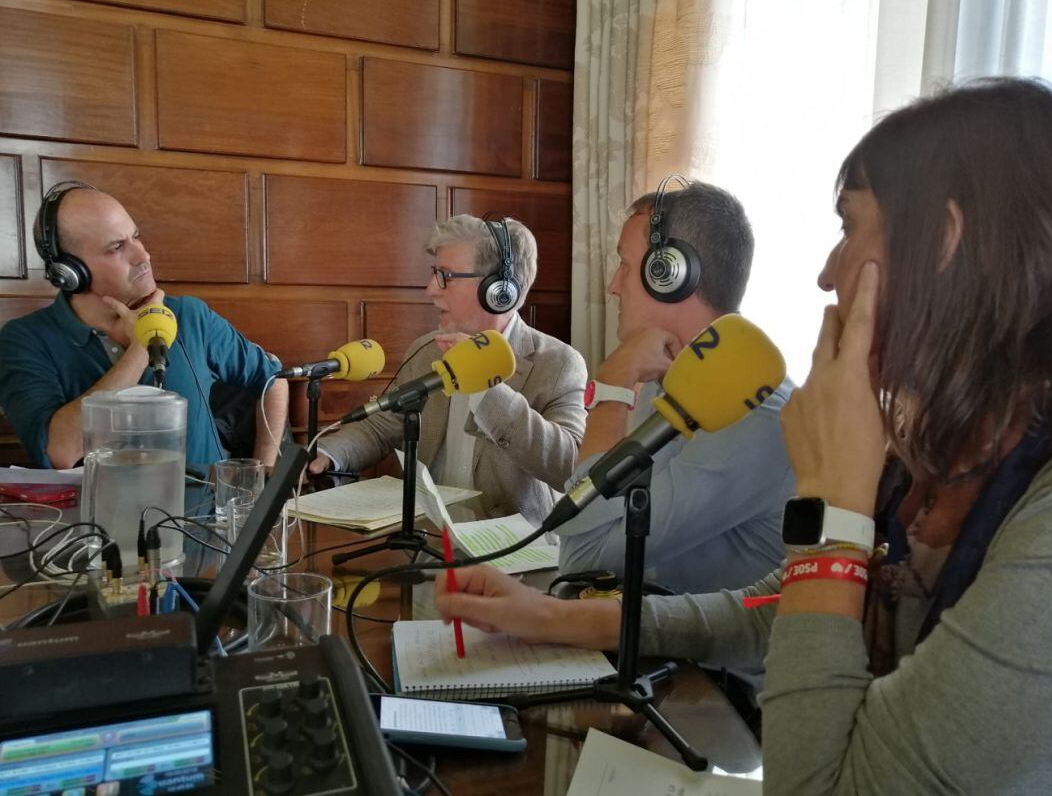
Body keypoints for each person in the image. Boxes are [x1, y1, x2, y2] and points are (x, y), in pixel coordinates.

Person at [435, 79, 1052, 794]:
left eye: (848, 227)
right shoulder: (935, 458)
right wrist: (556, 618)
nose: (826, 274)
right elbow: (762, 612)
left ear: (943, 243)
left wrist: (833, 513)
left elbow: (823, 785)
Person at [555, 180, 794, 594]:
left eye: (625, 266)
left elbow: (583, 559)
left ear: (670, 275)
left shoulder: (753, 411)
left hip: (710, 658)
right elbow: (588, 537)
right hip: (645, 633)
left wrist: (611, 387)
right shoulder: (666, 378)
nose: (613, 286)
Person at [309, 215, 587, 526]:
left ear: (498, 290)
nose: (430, 289)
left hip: (511, 557)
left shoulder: (559, 364)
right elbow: (380, 427)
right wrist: (324, 455)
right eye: (434, 274)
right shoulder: (428, 349)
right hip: (427, 542)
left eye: (446, 276)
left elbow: (571, 468)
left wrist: (486, 386)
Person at [0, 183, 289, 469]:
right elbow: (59, 453)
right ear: (70, 273)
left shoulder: (189, 314)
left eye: (136, 237)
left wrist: (262, 474)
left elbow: (272, 379)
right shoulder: (23, 339)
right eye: (116, 248)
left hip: (206, 514)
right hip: (100, 516)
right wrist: (142, 345)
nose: (143, 256)